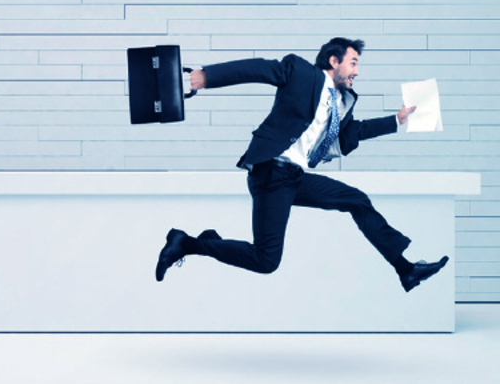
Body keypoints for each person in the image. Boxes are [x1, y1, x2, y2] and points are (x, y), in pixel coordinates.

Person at [154, 38, 448, 293]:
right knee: (266, 261)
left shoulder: (342, 102)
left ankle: (405, 269)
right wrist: (207, 76)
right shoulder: (300, 72)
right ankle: (189, 243)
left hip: (294, 177)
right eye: (353, 63)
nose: (357, 71)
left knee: (356, 200)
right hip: (271, 172)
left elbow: (351, 134)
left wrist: (396, 121)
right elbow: (257, 68)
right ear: (334, 61)